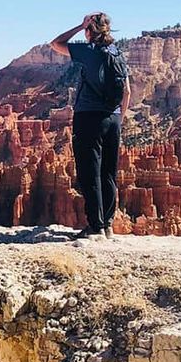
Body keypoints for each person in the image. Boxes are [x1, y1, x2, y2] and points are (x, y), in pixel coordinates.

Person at [49, 13, 130, 241]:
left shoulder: (89, 51)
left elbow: (56, 44)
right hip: (113, 118)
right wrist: (118, 118)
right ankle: (108, 225)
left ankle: (95, 227)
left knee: (89, 171)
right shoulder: (118, 54)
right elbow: (128, 92)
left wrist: (78, 26)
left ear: (89, 30)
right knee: (108, 173)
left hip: (89, 117)